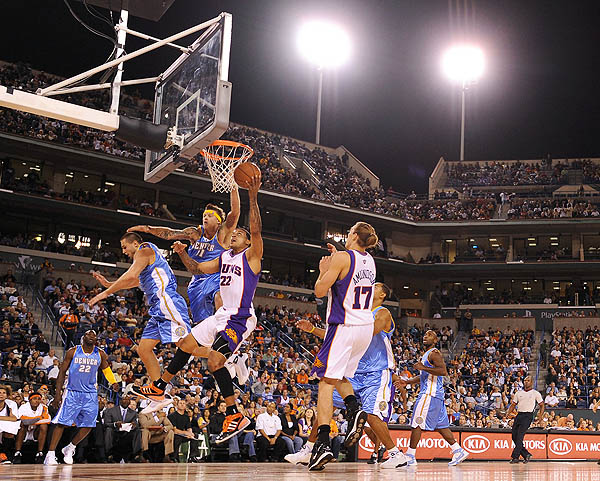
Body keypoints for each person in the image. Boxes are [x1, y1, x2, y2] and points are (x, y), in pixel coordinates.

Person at [133, 174, 263, 446]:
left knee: (215, 360)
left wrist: (252, 195)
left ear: (248, 242)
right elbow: (195, 269)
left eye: (241, 234)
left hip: (239, 317)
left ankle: (234, 413)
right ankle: (159, 388)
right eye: (235, 233)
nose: (237, 233)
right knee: (187, 344)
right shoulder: (223, 257)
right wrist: (181, 252)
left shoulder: (251, 257)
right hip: (220, 314)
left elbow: (252, 227)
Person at [287, 282, 406, 469]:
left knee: (371, 416)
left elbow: (368, 333)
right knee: (326, 408)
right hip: (354, 372)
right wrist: (312, 329)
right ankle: (308, 450)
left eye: (375, 286)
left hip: (376, 372)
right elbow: (339, 336)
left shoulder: (383, 313)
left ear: (383, 295)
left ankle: (395, 454)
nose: (371, 287)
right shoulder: (359, 314)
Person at [89, 232, 192, 411]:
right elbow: (133, 281)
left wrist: (106, 293)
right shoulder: (146, 266)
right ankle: (158, 394)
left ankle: (226, 356)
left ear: (135, 243)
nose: (123, 251)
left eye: (124, 247)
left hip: (167, 302)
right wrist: (109, 284)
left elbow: (130, 276)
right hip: (157, 310)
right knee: (144, 349)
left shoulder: (144, 250)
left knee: (187, 345)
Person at [307, 222, 380, 471]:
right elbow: (351, 266)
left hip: (343, 325)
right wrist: (337, 255)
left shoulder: (341, 258)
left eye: (349, 232)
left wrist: (322, 269)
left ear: (355, 236)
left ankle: (323, 442)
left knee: (325, 383)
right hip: (364, 328)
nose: (347, 235)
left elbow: (319, 290)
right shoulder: (369, 260)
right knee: (341, 377)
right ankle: (354, 408)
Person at [127, 186, 240, 323]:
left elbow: (234, 213)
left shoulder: (222, 234)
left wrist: (233, 187)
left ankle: (226, 327)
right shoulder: (195, 233)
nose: (205, 218)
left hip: (217, 276)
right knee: (201, 323)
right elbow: (170, 234)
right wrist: (148, 229)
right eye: (204, 215)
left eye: (209, 216)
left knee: (219, 296)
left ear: (218, 221)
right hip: (197, 281)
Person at [44, 329, 118, 465]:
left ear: (96, 340)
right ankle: (50, 454)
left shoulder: (100, 354)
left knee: (90, 424)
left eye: (94, 335)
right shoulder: (73, 351)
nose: (91, 336)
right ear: (83, 337)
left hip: (90, 393)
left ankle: (70, 447)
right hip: (72, 391)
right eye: (89, 334)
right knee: (62, 423)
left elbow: (106, 369)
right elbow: (61, 373)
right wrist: (57, 394)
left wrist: (113, 381)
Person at [397, 330, 468, 466]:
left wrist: (422, 367)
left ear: (435, 340)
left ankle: (410, 456)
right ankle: (458, 450)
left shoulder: (434, 353)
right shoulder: (426, 355)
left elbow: (443, 371)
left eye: (429, 335)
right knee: (441, 426)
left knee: (417, 422)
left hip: (429, 394)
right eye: (424, 334)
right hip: (436, 395)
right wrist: (408, 382)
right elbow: (424, 376)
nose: (425, 336)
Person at [505, 375, 544, 463]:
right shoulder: (518, 393)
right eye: (525, 380)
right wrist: (508, 413)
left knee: (520, 436)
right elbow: (513, 404)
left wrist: (540, 415)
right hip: (519, 414)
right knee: (514, 436)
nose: (526, 382)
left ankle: (515, 457)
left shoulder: (535, 393)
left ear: (532, 382)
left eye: (528, 380)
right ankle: (526, 454)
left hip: (528, 415)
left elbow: (542, 405)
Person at [12, 391, 50, 464]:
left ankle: (40, 453)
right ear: (30, 400)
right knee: (22, 426)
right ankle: (17, 453)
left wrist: (32, 420)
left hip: (36, 431)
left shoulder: (44, 407)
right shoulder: (23, 407)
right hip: (25, 431)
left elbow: (48, 419)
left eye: (39, 399)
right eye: (34, 399)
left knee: (44, 426)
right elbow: (23, 421)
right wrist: (39, 418)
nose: (37, 401)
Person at [103, 394, 142, 462]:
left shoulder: (133, 413)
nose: (126, 401)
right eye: (124, 399)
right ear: (120, 401)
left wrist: (133, 425)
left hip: (127, 433)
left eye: (127, 400)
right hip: (115, 432)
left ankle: (136, 455)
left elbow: (136, 423)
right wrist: (115, 424)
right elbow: (107, 423)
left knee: (137, 430)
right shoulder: (111, 411)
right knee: (108, 430)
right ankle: (109, 454)